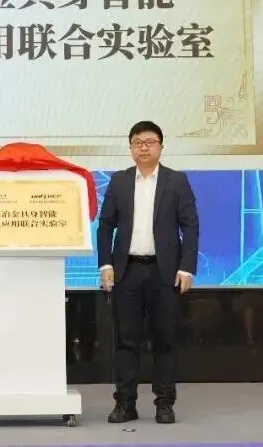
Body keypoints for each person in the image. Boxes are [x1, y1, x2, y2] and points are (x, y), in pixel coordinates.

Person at [96, 120, 200, 424]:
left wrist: (186, 267)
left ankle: (164, 403)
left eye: (150, 142)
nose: (144, 147)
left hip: (163, 272)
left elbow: (190, 226)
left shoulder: (176, 181)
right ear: (130, 149)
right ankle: (125, 403)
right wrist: (106, 265)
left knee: (165, 340)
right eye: (137, 143)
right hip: (127, 272)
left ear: (161, 147)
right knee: (125, 341)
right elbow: (105, 226)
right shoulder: (119, 181)